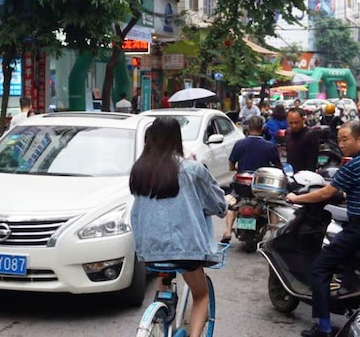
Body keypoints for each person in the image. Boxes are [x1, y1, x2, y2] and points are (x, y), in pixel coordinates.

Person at [286, 121, 360, 337]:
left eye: (346, 139)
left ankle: (324, 327)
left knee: (319, 268)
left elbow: (325, 193)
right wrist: (347, 195)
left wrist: (296, 198)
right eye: (340, 139)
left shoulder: (354, 166)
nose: (341, 144)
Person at [130, 117, 226, 337]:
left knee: (164, 269)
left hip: (149, 248)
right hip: (187, 251)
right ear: (177, 138)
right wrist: (225, 205)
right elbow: (217, 203)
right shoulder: (192, 169)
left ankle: (163, 313)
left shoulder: (139, 170)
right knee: (201, 294)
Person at [221, 115, 281, 243]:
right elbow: (278, 168)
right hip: (261, 186)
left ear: (248, 128)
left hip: (241, 186)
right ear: (262, 128)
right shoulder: (269, 146)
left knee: (233, 203)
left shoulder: (239, 144)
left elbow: (231, 164)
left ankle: (227, 231)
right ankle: (274, 237)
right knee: (272, 206)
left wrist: (237, 169)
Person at [285, 107, 320, 172]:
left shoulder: (311, 135)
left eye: (296, 122)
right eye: (291, 123)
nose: (294, 126)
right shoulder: (288, 133)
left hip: (305, 174)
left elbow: (313, 160)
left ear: (303, 120)